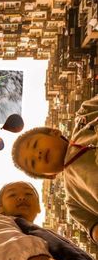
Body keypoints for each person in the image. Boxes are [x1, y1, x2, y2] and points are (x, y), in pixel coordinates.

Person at [11, 95, 98, 244]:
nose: (37, 154)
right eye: (32, 163)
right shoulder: (73, 203)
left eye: (35, 144)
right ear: (49, 176)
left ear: (54, 132)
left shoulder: (85, 115)